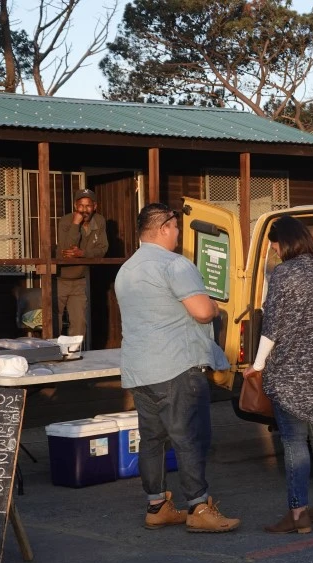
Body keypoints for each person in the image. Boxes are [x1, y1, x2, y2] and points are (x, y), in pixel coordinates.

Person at [115, 202, 240, 533]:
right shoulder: (175, 264)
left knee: (152, 440)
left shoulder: (126, 270)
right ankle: (199, 507)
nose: (178, 234)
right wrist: (214, 307)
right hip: (176, 365)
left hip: (139, 369)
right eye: (175, 228)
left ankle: (157, 506)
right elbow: (202, 311)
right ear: (163, 228)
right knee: (189, 438)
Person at [244, 216, 313, 534]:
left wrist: (258, 365)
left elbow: (272, 326)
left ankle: (298, 512)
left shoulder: (284, 273)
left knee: (294, 441)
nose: (274, 250)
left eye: (275, 244)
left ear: (285, 241)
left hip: (292, 373)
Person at [57, 188, 108, 339]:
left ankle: (74, 351)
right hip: (60, 279)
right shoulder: (66, 220)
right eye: (81, 205)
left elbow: (102, 249)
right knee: (55, 320)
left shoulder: (99, 221)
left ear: (95, 206)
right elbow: (67, 250)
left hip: (80, 279)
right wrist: (75, 224)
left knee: (79, 322)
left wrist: (83, 254)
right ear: (75, 205)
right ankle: (52, 350)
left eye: (88, 206)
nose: (84, 210)